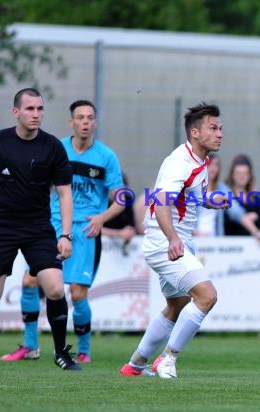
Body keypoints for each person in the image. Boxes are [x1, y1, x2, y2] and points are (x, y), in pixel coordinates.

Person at [0, 99, 125, 364]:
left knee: (78, 292)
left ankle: (83, 351)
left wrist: (103, 217)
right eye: (80, 118)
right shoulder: (57, 149)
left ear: (95, 122)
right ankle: (30, 346)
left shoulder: (106, 156)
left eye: (90, 118)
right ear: (71, 122)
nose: (85, 123)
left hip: (86, 230)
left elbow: (121, 197)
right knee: (29, 282)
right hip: (51, 227)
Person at [0, 87, 80, 371]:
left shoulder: (52, 146)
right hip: (1, 226)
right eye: (30, 109)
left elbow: (65, 193)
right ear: (16, 111)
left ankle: (61, 354)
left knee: (55, 288)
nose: (36, 114)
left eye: (40, 109)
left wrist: (65, 234)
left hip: (38, 228)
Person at [120, 102, 228, 378]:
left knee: (176, 305)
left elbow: (191, 196)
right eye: (213, 128)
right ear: (194, 132)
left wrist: (210, 201)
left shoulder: (200, 160)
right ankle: (167, 359)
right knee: (207, 296)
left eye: (220, 128)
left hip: (175, 239)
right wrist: (172, 239)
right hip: (163, 241)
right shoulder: (180, 162)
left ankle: (135, 364)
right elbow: (162, 201)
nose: (220, 134)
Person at [223, 154, 260, 244]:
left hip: (252, 245)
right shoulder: (225, 194)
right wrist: (245, 219)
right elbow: (225, 221)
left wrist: (255, 216)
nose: (242, 177)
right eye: (238, 173)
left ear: (250, 175)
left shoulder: (254, 196)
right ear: (232, 174)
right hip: (230, 244)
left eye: (245, 173)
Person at [193, 154, 227, 237]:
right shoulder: (194, 188)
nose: (213, 168)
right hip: (195, 237)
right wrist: (193, 231)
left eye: (216, 165)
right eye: (210, 164)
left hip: (215, 238)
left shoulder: (221, 188)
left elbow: (233, 206)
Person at [102, 174, 137, 256]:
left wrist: (129, 231)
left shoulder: (127, 200)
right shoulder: (101, 202)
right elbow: (94, 227)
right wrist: (119, 233)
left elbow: (131, 225)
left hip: (117, 247)